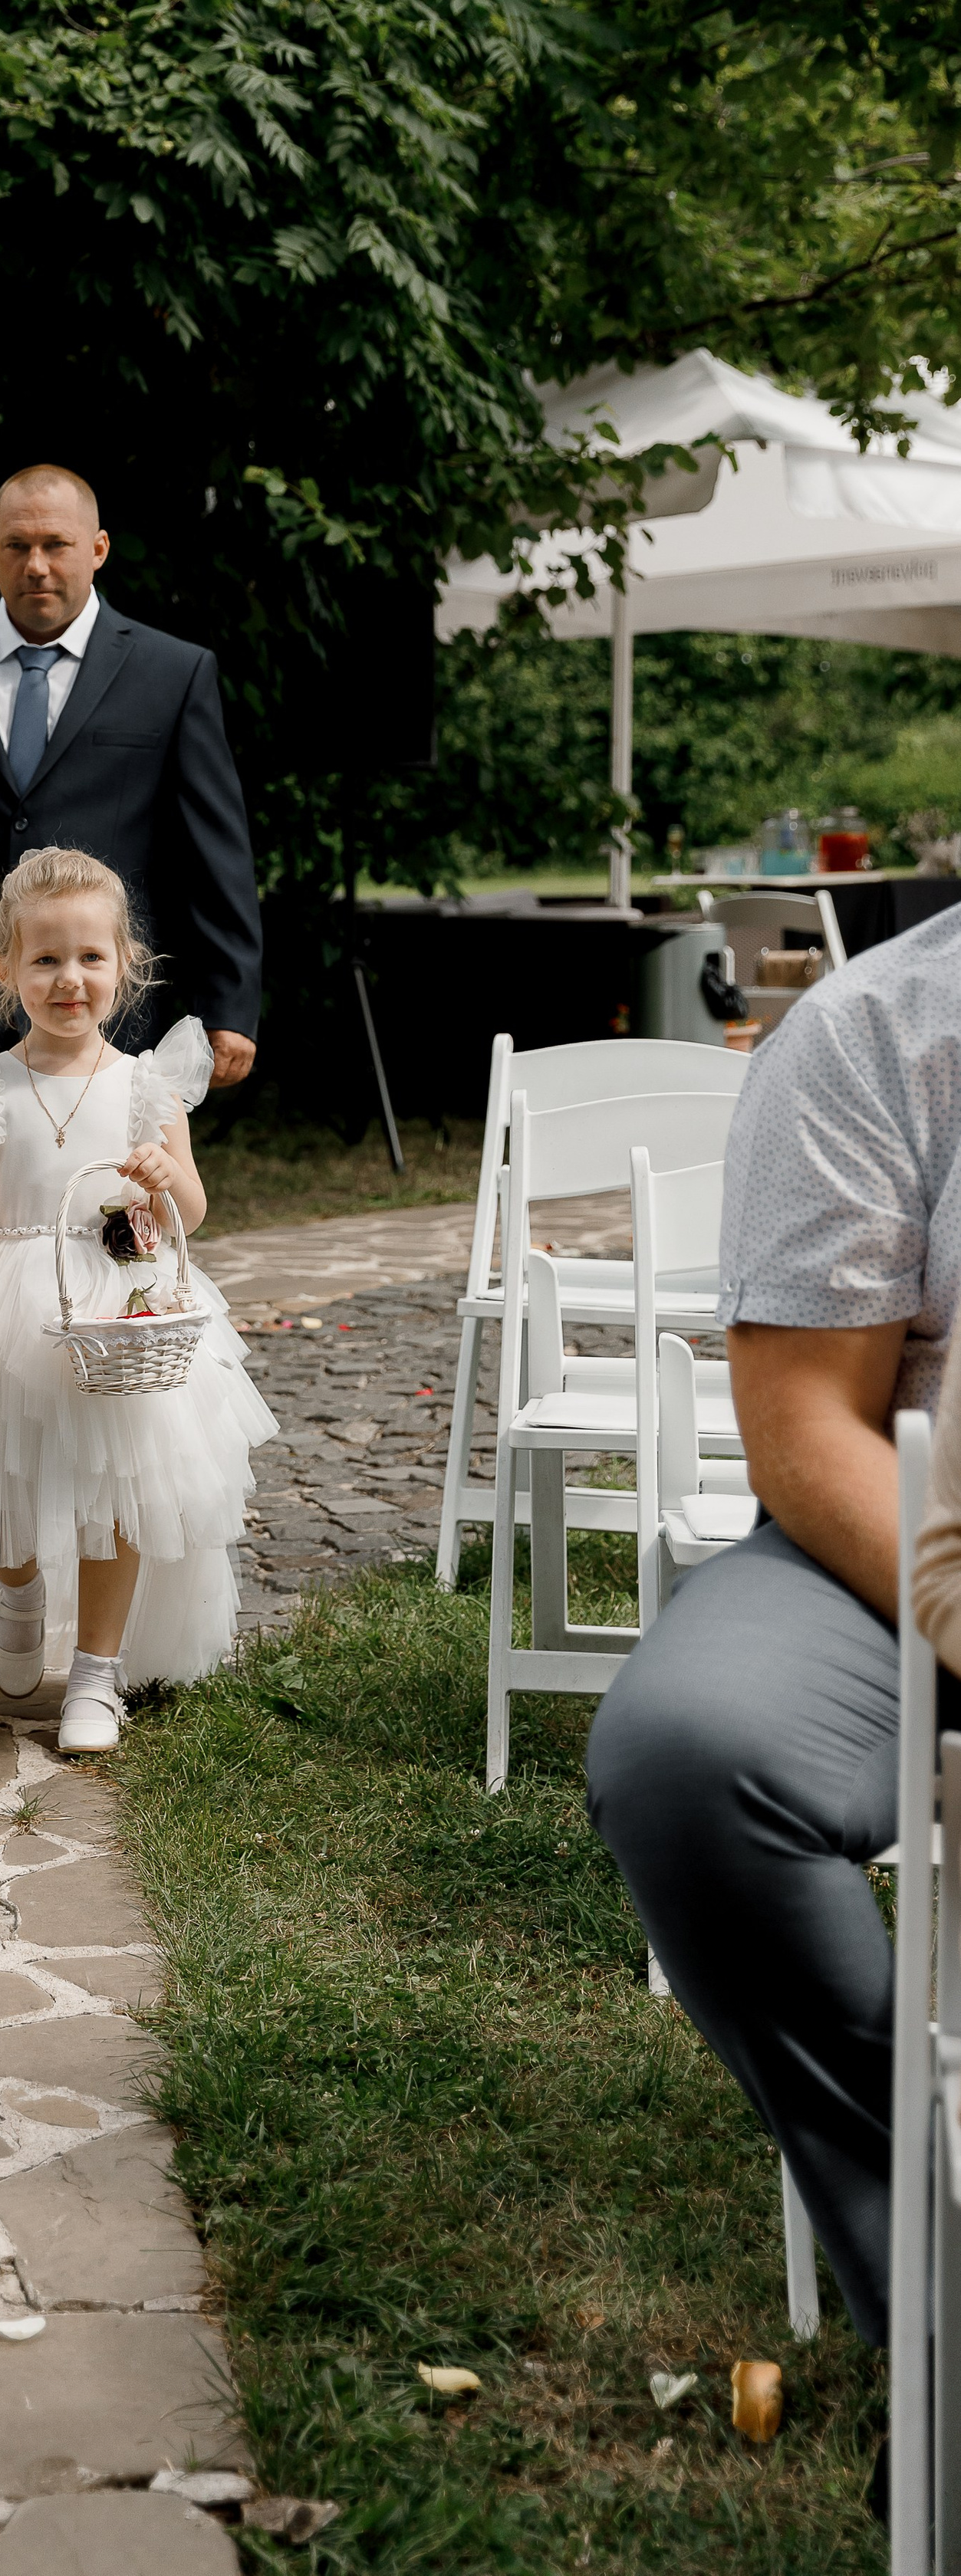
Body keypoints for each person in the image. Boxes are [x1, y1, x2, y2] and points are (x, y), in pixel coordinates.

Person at [587, 902, 961, 2353]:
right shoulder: (879, 1029)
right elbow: (809, 1423)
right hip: (907, 1537)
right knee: (693, 1756)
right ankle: (935, 2302)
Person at [0, 846, 275, 1749]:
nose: (69, 979)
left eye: (90, 958)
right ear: (5, 968)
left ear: (125, 964)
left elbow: (189, 1208)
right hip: (11, 1300)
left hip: (122, 1302)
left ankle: (97, 1676)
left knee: (121, 1486)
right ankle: (18, 1584)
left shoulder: (147, 1083)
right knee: (2, 1478)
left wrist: (160, 1177)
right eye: (45, 960)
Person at [0, 464, 264, 1254]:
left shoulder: (173, 673)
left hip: (99, 1017)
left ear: (98, 548)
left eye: (57, 545)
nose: (38, 564)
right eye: (19, 546)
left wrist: (230, 1000)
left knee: (114, 1237)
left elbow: (214, 845)